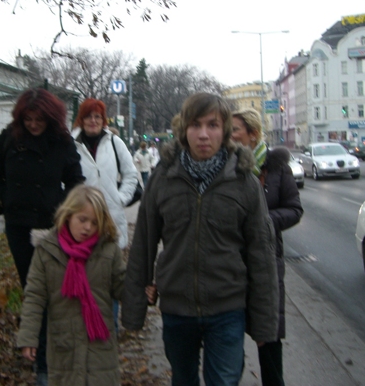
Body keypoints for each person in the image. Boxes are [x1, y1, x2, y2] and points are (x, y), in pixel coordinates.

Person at [122, 93, 279, 386]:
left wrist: (264, 323)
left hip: (227, 308)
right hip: (177, 309)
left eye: (213, 125)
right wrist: (134, 311)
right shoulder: (163, 178)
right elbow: (143, 244)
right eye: (195, 125)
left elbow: (262, 255)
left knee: (224, 381)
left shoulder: (244, 182)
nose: (204, 134)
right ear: (184, 130)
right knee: (183, 380)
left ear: (225, 131)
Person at [0, 88, 84, 385]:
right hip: (19, 227)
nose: (33, 124)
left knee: (57, 292)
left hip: (54, 228)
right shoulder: (10, 139)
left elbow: (76, 180)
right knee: (34, 290)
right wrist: (3, 200)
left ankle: (59, 354)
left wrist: (62, 207)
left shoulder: (62, 142)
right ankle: (43, 364)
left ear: (50, 118)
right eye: (28, 118)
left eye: (39, 119)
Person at [17, 185, 126, 386]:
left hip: (100, 348)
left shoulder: (108, 250)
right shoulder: (47, 252)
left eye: (94, 223)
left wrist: (143, 289)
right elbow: (34, 296)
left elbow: (122, 287)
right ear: (68, 215)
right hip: (63, 347)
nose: (87, 228)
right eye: (82, 220)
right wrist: (29, 337)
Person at [232, 108, 303, 386]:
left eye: (235, 130)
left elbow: (294, 210)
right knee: (230, 331)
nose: (230, 135)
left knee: (269, 334)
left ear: (253, 135)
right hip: (232, 260)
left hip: (269, 260)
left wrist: (263, 221)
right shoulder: (227, 166)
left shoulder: (276, 168)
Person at [71, 98, 139, 250]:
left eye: (98, 116)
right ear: (81, 120)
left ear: (103, 120)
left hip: (111, 216)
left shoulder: (115, 143)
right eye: (88, 116)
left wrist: (120, 198)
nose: (93, 121)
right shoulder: (71, 145)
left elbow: (131, 175)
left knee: (111, 264)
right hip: (81, 217)